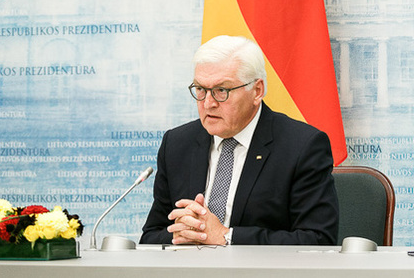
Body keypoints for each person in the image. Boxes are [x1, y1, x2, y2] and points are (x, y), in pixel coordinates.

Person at [140, 35, 339, 245]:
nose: (208, 103)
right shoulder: (177, 144)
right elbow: (150, 237)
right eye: (200, 89)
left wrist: (226, 236)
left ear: (257, 91)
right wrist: (182, 234)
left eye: (221, 91)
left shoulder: (302, 146)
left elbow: (318, 240)